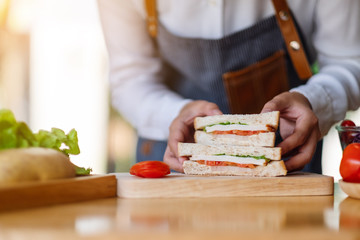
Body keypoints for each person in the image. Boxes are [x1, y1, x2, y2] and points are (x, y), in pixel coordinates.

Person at [97, 0, 360, 173]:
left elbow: (349, 61)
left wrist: (311, 100)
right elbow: (130, 80)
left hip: (287, 157)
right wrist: (175, 113)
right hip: (171, 159)